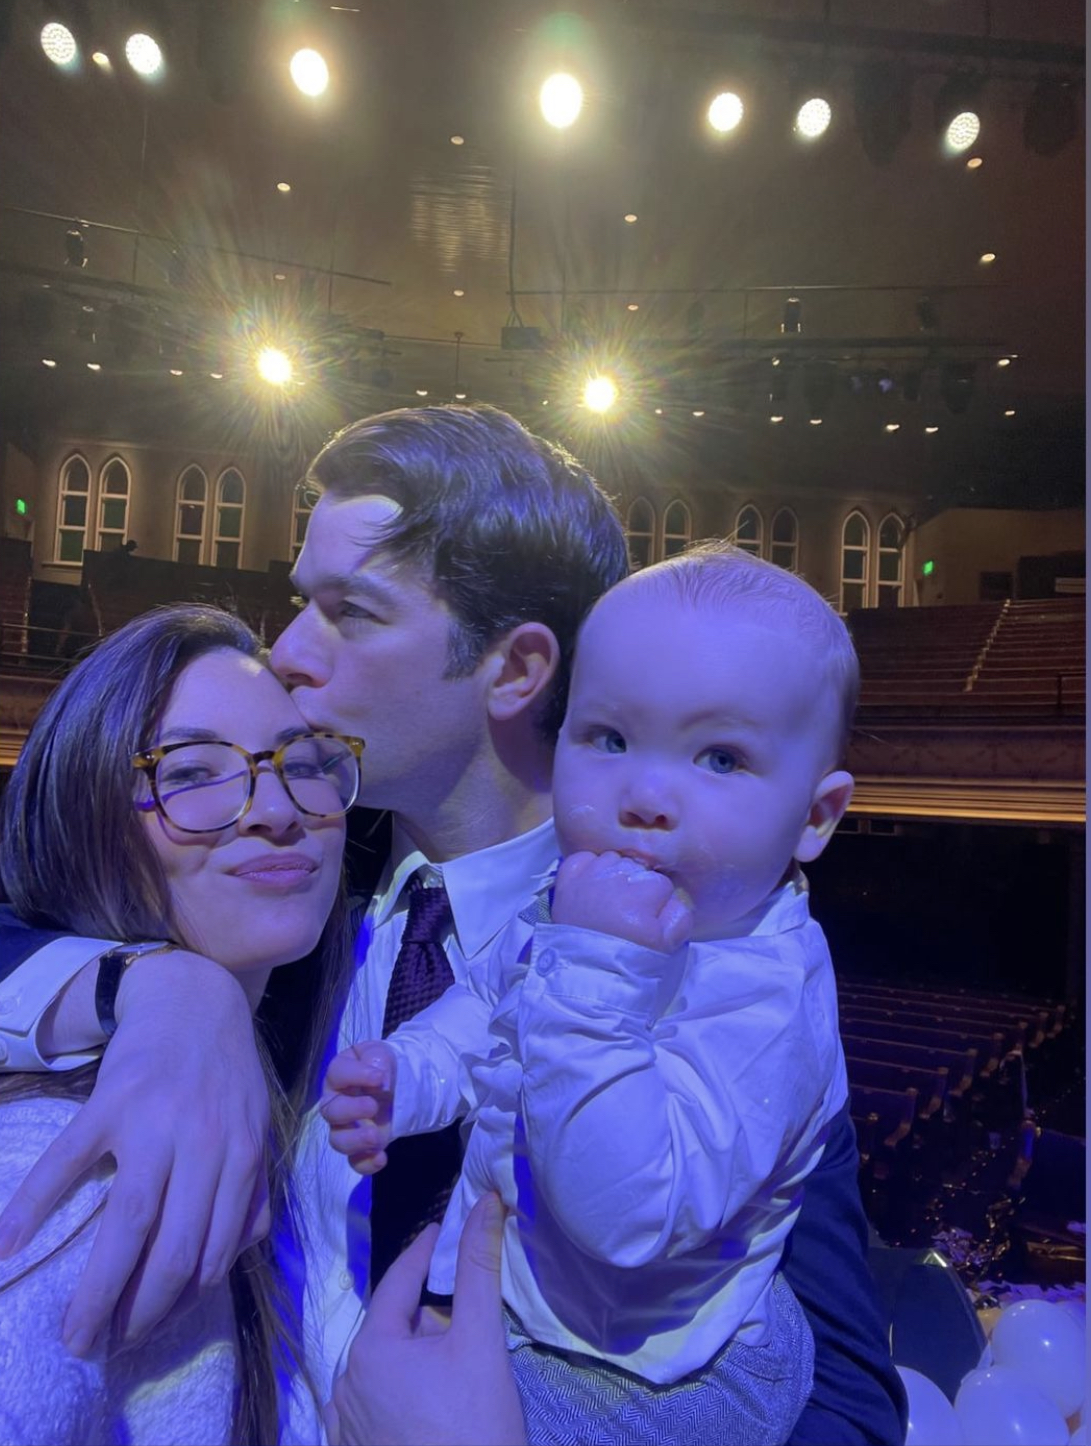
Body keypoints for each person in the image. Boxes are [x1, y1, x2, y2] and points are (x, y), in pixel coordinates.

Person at [0, 405, 906, 1444]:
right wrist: (161, 990)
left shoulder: (699, 965)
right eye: (299, 603)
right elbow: (36, 893)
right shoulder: (283, 899)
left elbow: (844, 1404)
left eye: (349, 611)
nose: (287, 651)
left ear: (515, 671)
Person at [322, 544, 856, 1443]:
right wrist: (406, 1077)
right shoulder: (577, 899)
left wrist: (595, 964)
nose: (644, 793)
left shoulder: (766, 1002)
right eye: (608, 738)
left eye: (720, 758)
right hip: (544, 1317)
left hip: (665, 1377)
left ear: (814, 817)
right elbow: (490, 1008)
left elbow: (625, 1214)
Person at [0, 604, 355, 1443]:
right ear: (86, 816)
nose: (277, 808)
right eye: (192, 773)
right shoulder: (77, 1173)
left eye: (301, 761)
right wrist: (162, 984)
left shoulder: (335, 1012)